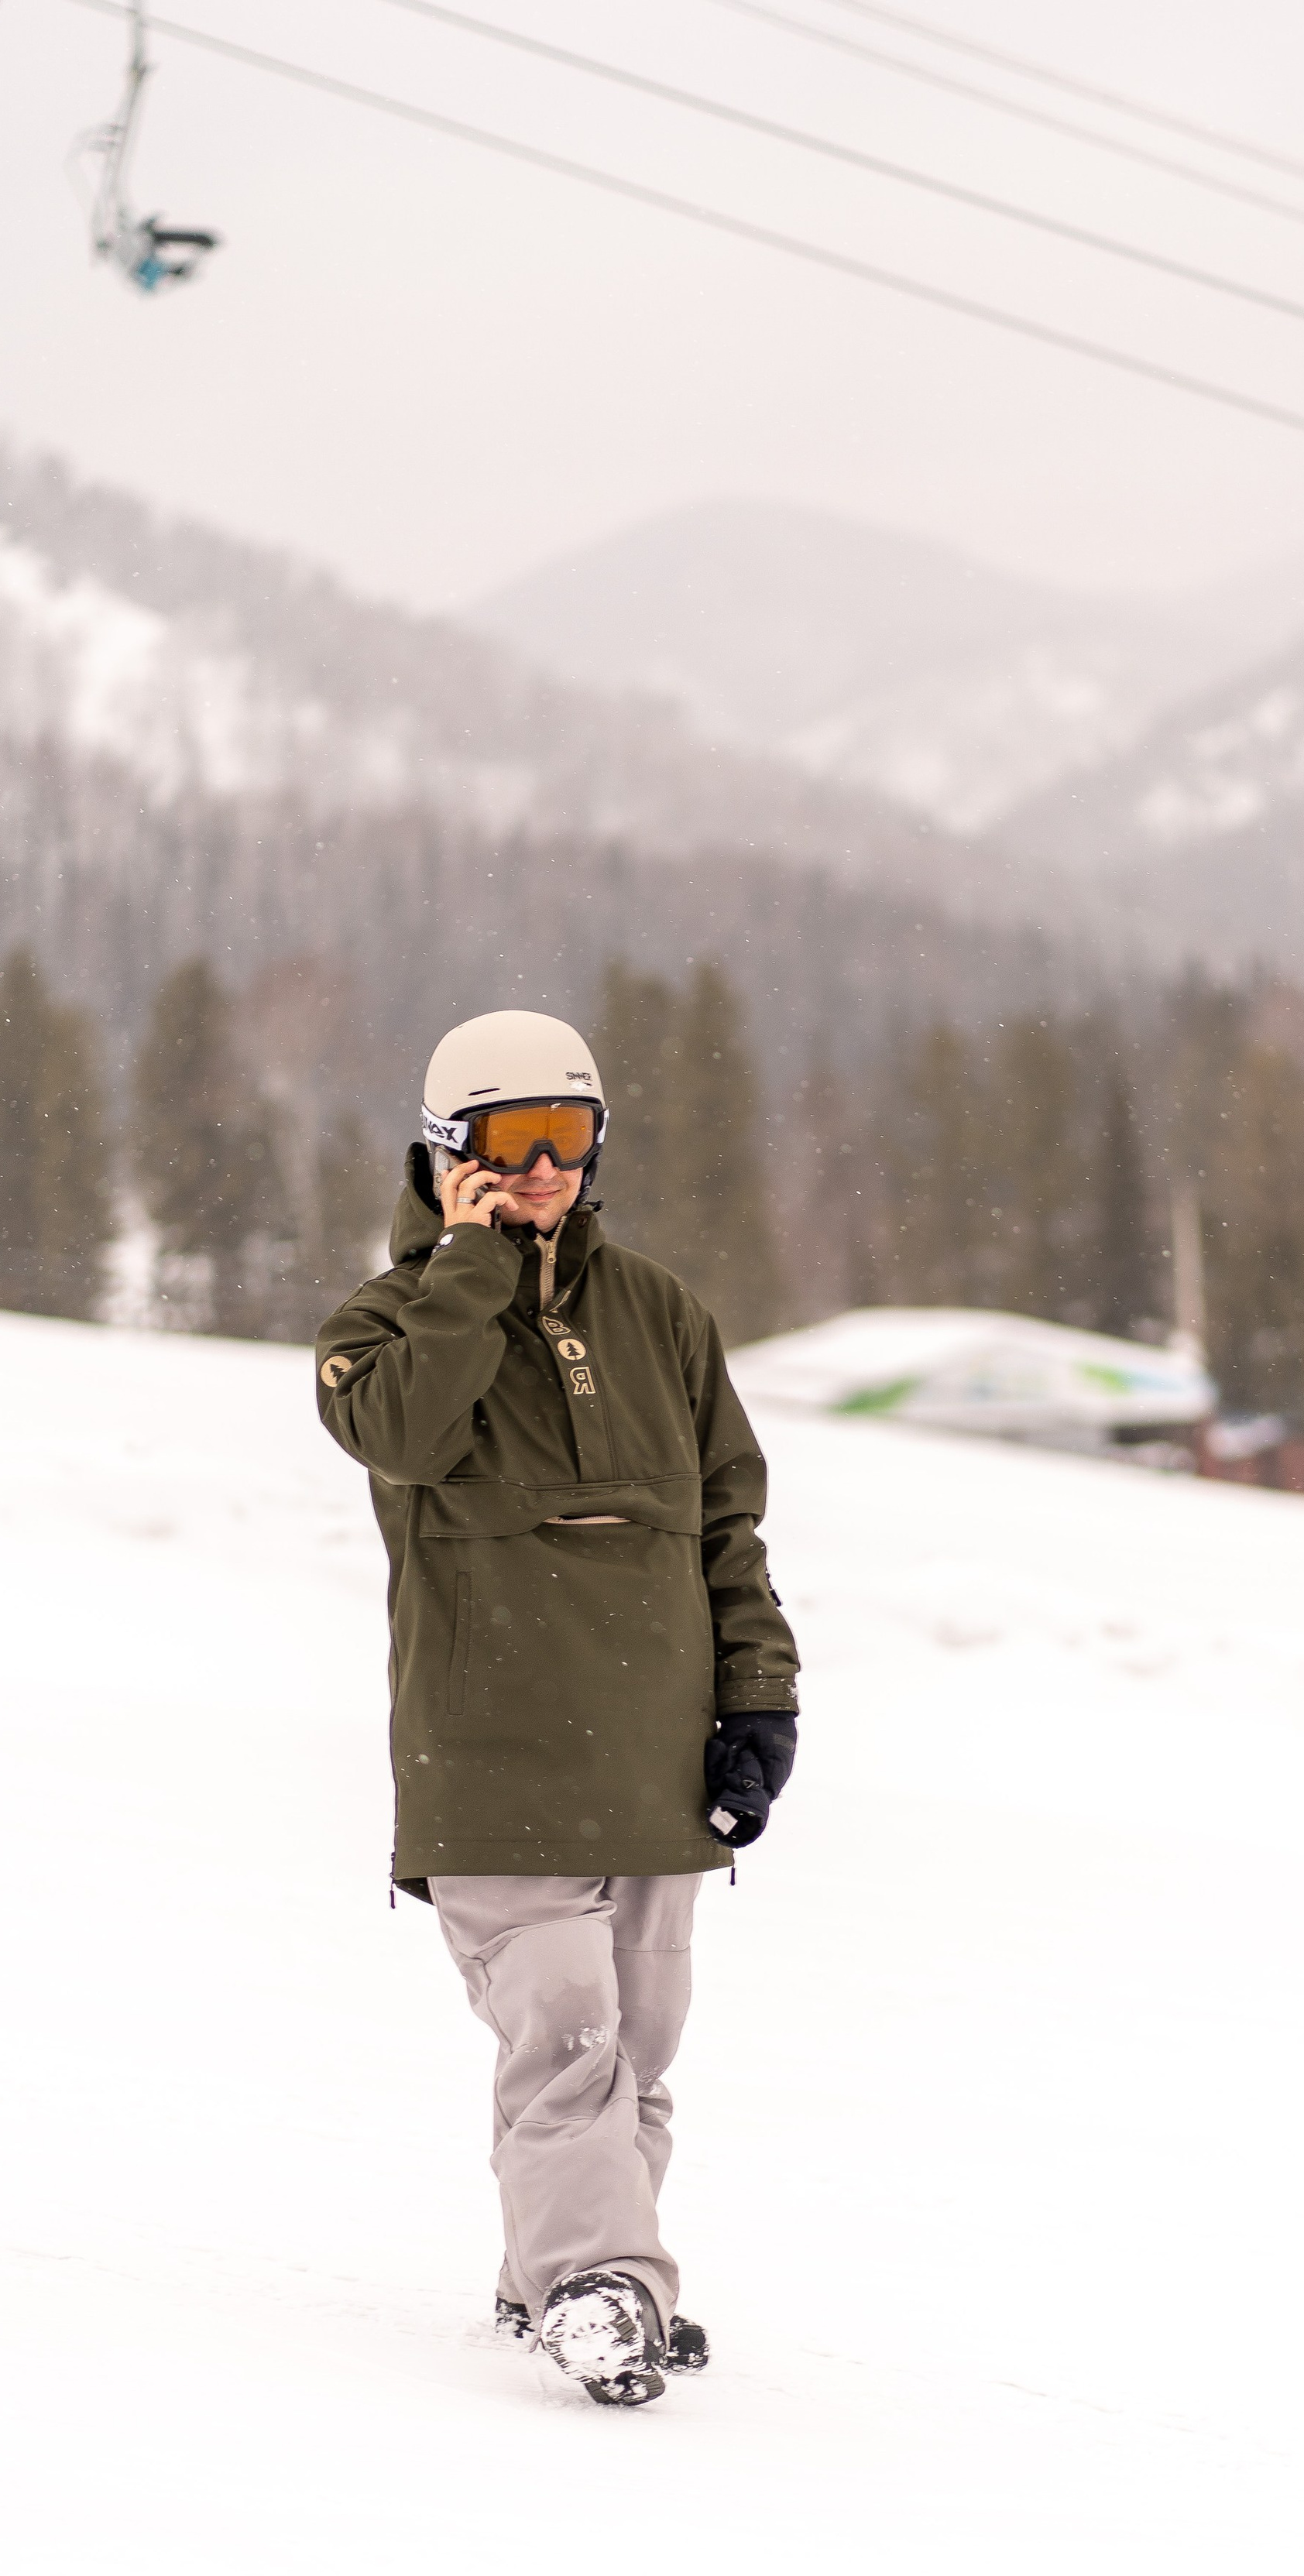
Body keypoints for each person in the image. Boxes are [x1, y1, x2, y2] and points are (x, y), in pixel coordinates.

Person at [315, 1008, 800, 2407]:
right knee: (567, 2028)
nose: (545, 1171)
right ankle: (602, 2284)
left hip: (651, 1747)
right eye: (513, 1144)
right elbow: (405, 1434)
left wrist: (758, 1699)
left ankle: (564, 2276)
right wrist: (467, 1269)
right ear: (447, 1153)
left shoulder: (661, 1314)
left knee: (636, 2046)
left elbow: (727, 1525)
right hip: (491, 1751)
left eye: (570, 1139)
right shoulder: (380, 1328)